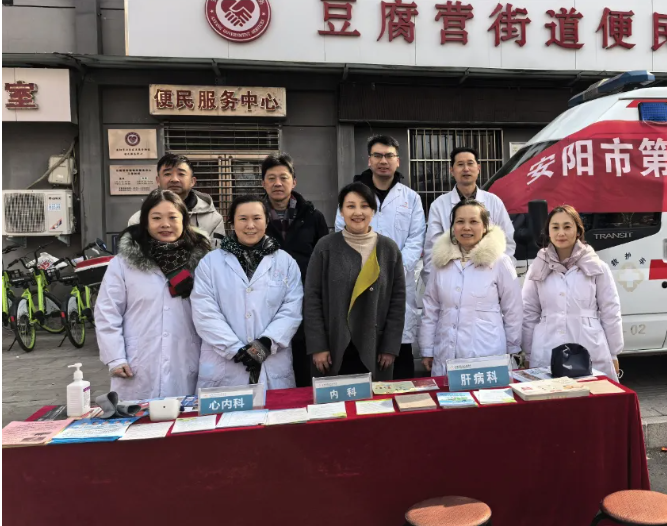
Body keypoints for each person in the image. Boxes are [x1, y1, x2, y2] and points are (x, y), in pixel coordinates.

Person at [95, 189, 211, 400]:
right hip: (137, 362)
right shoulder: (123, 264)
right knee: (137, 418)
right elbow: (107, 312)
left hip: (186, 358)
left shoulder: (203, 263)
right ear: (146, 223)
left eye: (172, 217)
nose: (165, 224)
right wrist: (115, 357)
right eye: (156, 218)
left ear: (184, 221)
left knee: (185, 416)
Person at [334, 135, 425, 379]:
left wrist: (391, 271)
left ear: (398, 161)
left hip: (397, 283)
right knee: (359, 356)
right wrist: (366, 271)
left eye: (389, 156)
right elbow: (341, 233)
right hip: (359, 283)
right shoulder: (353, 195)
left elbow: (416, 239)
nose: (383, 161)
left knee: (398, 364)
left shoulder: (411, 198)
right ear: (369, 160)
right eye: (378, 155)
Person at [191, 195, 303, 390]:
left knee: (275, 409)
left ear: (266, 222)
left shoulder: (286, 262)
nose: (250, 225)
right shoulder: (210, 263)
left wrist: (264, 345)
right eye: (243, 218)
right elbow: (205, 312)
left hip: (272, 361)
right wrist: (236, 350)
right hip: (225, 364)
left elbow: (291, 310)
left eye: (257, 218)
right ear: (232, 222)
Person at [306, 182, 406, 381]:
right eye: (350, 206)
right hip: (334, 347)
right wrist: (318, 346)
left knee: (375, 399)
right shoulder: (325, 247)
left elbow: (398, 301)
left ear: (373, 211)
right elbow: (312, 298)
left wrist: (390, 347)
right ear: (341, 211)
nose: (358, 212)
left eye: (365, 206)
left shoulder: (389, 249)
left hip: (375, 347)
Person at [419, 199, 522, 376]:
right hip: (446, 353)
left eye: (474, 221)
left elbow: (513, 309)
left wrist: (514, 348)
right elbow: (431, 308)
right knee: (447, 393)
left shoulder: (500, 262)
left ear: (485, 226)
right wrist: (427, 349)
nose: (466, 227)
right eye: (460, 221)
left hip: (487, 353)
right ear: (453, 227)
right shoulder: (441, 263)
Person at [522, 205, 623, 381]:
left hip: (588, 344)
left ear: (578, 230)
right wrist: (528, 353)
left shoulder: (597, 267)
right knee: (549, 395)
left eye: (567, 226)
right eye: (555, 227)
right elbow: (528, 312)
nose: (561, 233)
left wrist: (613, 353)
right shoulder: (538, 268)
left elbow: (610, 311)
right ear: (548, 232)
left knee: (591, 393)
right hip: (546, 346)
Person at [261, 153, 329, 387]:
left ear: (294, 181)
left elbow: (324, 261)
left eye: (283, 177)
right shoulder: (255, 218)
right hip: (266, 307)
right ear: (263, 183)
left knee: (304, 373)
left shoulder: (313, 217)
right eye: (271, 178)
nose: (277, 183)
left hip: (305, 305)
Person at [422, 146, 515, 285]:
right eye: (460, 164)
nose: (466, 169)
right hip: (451, 279)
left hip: (489, 277)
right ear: (452, 170)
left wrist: (503, 276)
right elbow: (432, 248)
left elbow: (507, 242)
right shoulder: (439, 205)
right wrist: (435, 283)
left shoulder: (494, 202)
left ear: (478, 168)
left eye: (470, 163)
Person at [128, 153, 226, 245]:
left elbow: (215, 255)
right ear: (158, 180)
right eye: (167, 174)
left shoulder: (213, 219)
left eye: (181, 174)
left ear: (192, 181)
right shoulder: (138, 219)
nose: (174, 179)